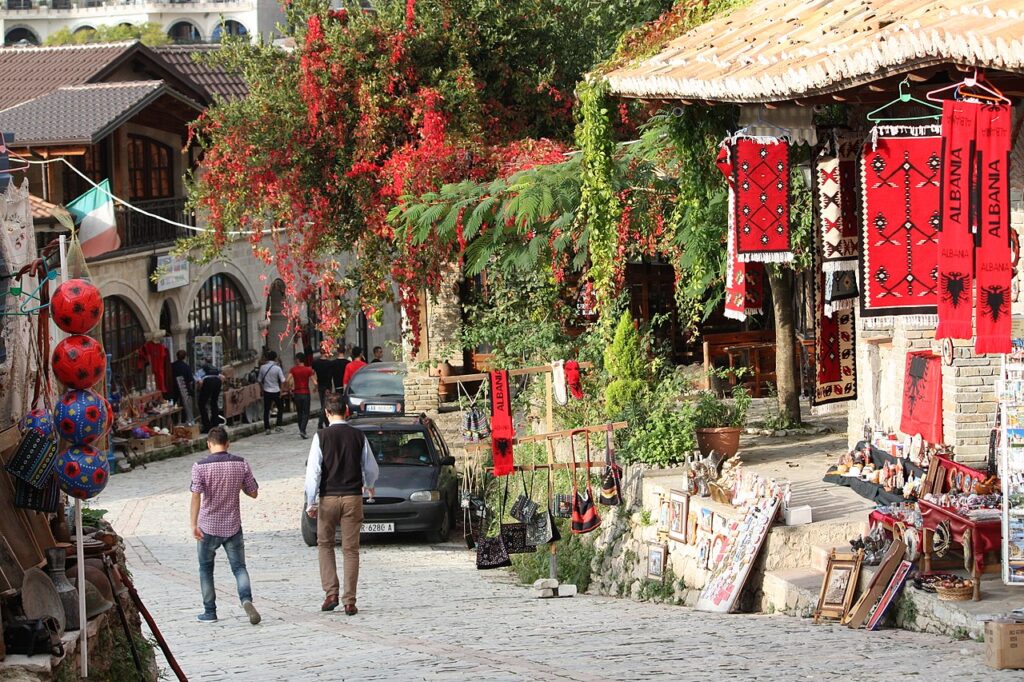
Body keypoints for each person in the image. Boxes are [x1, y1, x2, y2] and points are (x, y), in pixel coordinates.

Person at [304, 394, 378, 615]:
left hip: (328, 497)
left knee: (325, 544)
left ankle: (331, 593)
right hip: (352, 497)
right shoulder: (358, 435)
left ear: (327, 413)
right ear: (346, 410)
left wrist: (311, 500)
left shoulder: (321, 436)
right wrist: (370, 485)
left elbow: (314, 472)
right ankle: (350, 601)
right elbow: (371, 466)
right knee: (351, 550)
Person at [189, 426, 261, 625]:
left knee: (205, 569)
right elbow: (253, 492)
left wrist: (193, 524)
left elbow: (196, 495)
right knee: (239, 568)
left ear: (209, 444)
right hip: (232, 525)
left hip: (207, 526)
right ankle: (246, 599)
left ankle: (210, 611)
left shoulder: (199, 466)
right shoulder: (241, 463)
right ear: (227, 444)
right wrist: (237, 484)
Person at [287, 354, 317, 439]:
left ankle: (301, 429)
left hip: (297, 393)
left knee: (299, 412)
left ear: (298, 360)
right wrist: (315, 388)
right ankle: (302, 430)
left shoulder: (293, 369)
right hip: (305, 393)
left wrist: (289, 388)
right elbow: (315, 382)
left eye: (296, 359)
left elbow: (287, 380)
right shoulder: (308, 370)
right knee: (306, 413)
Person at [258, 351, 287, 434]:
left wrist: (262, 388)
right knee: (280, 408)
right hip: (276, 390)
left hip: (266, 390)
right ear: (275, 358)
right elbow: (283, 380)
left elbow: (259, 380)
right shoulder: (277, 368)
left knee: (266, 409)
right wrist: (281, 390)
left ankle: (267, 428)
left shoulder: (262, 367)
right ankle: (278, 425)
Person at [197, 359, 225, 434]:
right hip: (217, 381)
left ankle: (207, 426)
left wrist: (200, 389)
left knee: (201, 404)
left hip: (208, 382)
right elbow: (223, 378)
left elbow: (200, 381)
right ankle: (215, 424)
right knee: (214, 402)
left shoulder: (201, 370)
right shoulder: (214, 369)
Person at [171, 350, 195, 422]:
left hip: (174, 387)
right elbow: (190, 379)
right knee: (184, 405)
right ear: (185, 357)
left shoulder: (172, 365)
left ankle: (174, 420)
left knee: (173, 405)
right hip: (184, 388)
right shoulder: (186, 367)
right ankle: (183, 420)